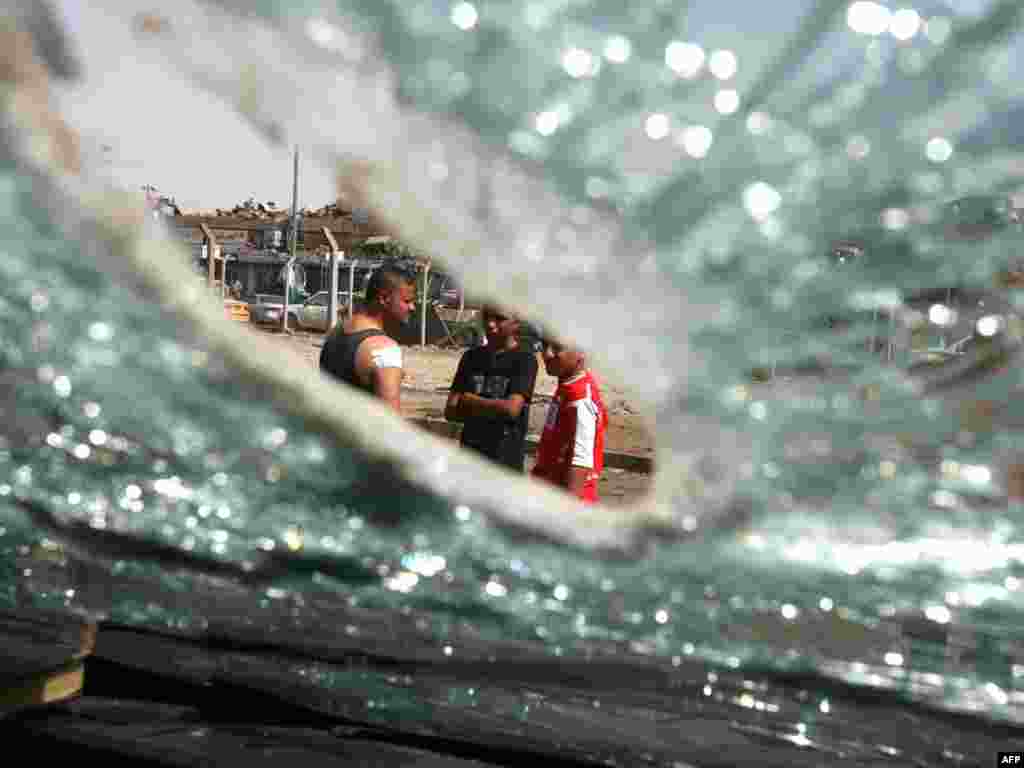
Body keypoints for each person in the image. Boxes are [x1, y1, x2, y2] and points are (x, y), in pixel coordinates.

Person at [444, 306, 539, 471]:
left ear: (516, 322)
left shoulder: (525, 360)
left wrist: (470, 400)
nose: (490, 324)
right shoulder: (471, 358)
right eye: (486, 317)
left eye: (499, 318)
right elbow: (451, 411)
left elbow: (511, 410)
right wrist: (494, 407)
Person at [319, 264, 416, 412]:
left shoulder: (336, 333)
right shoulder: (384, 350)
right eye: (407, 301)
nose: (412, 307)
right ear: (384, 298)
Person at [531, 337, 608, 503]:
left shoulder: (580, 400)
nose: (546, 354)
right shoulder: (568, 385)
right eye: (544, 345)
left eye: (557, 347)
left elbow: (580, 464)